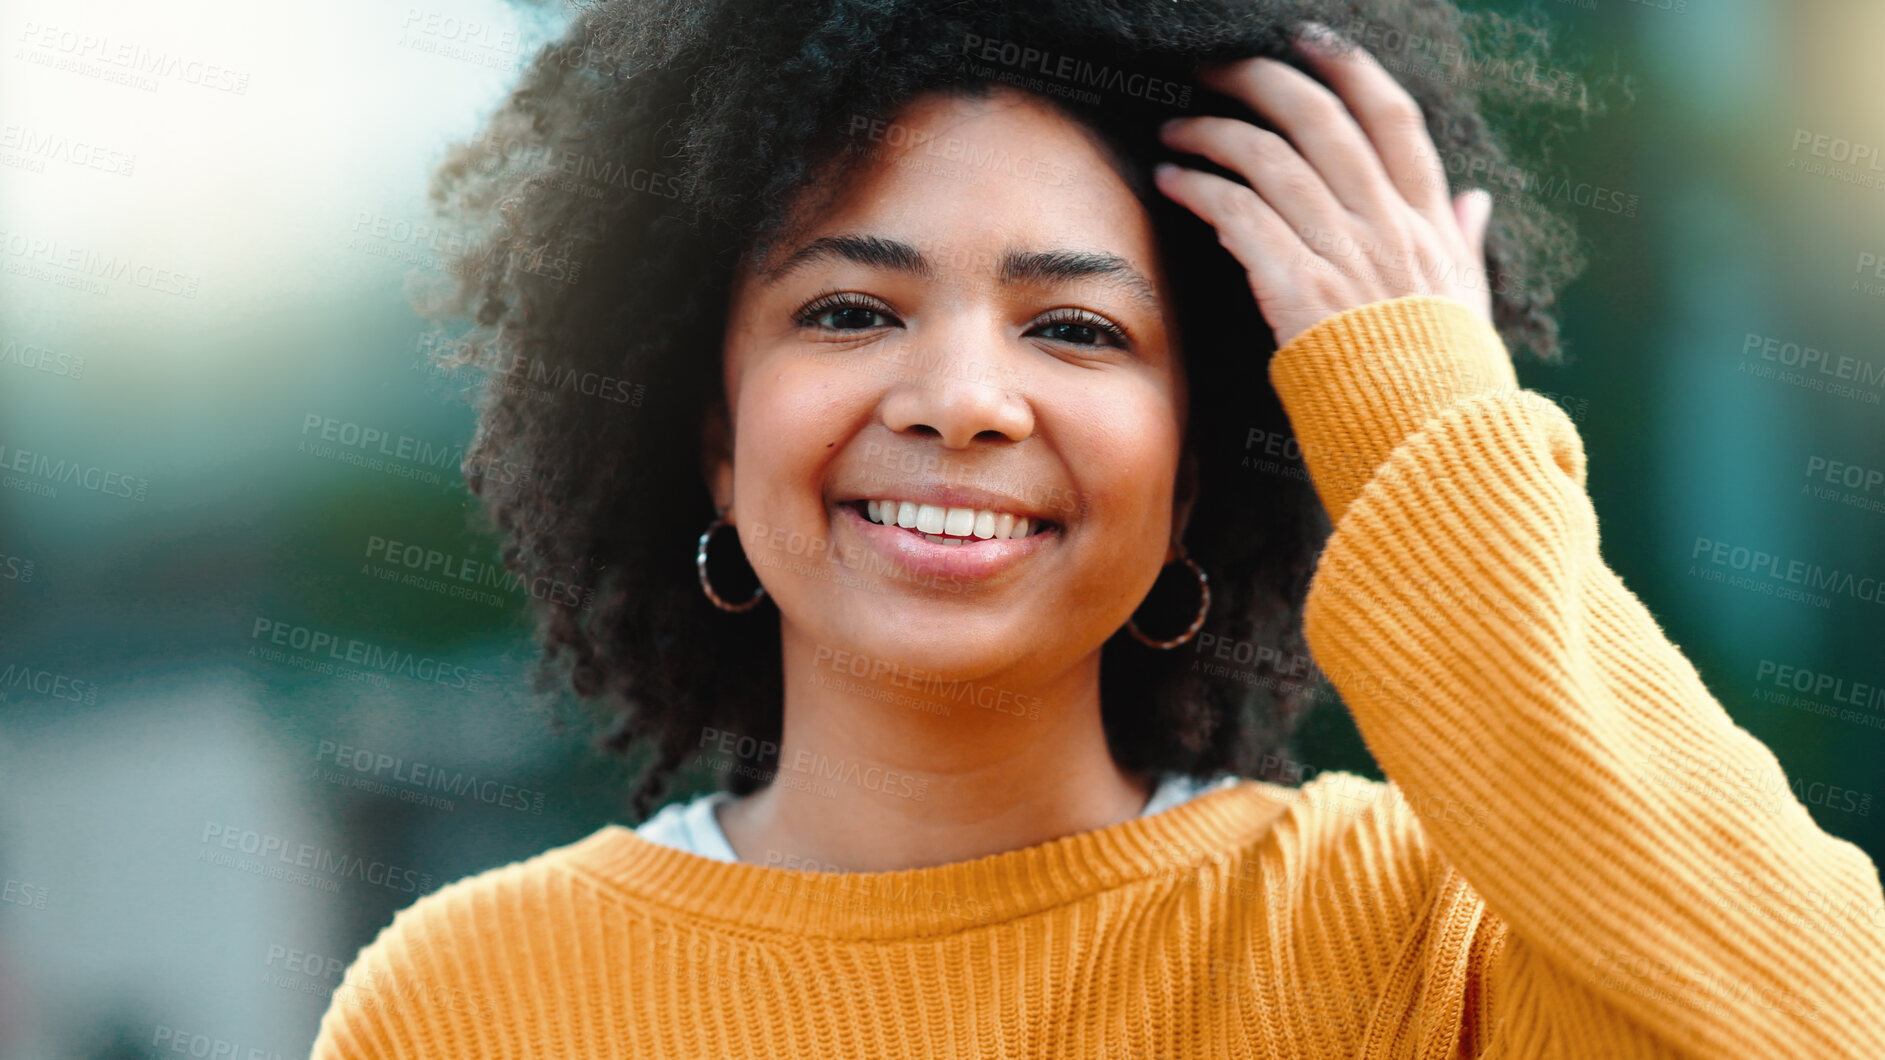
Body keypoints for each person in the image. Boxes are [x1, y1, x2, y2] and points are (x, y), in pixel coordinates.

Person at [311, 1, 1885, 1056]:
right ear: (711, 437)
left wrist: (1421, 419)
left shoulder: (1416, 941)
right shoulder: (468, 1005)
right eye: (851, 309)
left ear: (1196, 475)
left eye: (1074, 331)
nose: (960, 399)